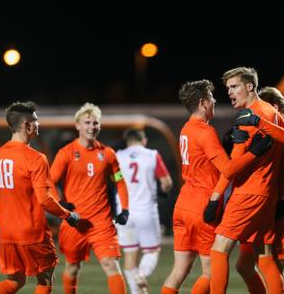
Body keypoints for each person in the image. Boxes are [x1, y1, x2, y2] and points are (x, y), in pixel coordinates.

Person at [161, 79, 272, 294]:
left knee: (179, 271)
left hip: (183, 206)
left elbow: (206, 158)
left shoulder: (186, 128)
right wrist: (255, 152)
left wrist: (226, 143)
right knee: (212, 273)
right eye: (211, 98)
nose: (214, 101)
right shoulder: (204, 131)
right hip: (203, 206)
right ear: (203, 103)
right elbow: (228, 169)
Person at [206, 67, 284, 294]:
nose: (230, 93)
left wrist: (215, 196)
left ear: (250, 86)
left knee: (218, 250)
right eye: (228, 88)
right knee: (264, 256)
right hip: (268, 195)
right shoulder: (273, 113)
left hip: (248, 193)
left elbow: (232, 167)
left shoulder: (247, 117)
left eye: (234, 87)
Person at [0, 101, 80, 294]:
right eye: (36, 121)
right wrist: (68, 215)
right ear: (27, 125)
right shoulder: (36, 158)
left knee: (15, 280)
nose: (39, 125)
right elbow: (44, 199)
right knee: (45, 278)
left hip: (8, 233)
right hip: (32, 232)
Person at [50, 102, 130, 294]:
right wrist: (60, 203)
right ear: (77, 125)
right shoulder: (66, 153)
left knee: (111, 265)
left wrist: (125, 209)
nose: (92, 127)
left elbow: (119, 181)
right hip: (74, 222)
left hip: (102, 223)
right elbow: (49, 182)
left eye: (95, 123)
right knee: (73, 267)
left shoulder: (108, 154)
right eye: (87, 122)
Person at [234, 86, 284, 294]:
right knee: (244, 266)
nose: (260, 115)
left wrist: (258, 122)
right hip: (265, 203)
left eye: (263, 110)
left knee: (274, 267)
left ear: (274, 107)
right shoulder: (268, 129)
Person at [114, 128, 173, 294]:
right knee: (152, 251)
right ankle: (142, 274)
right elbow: (167, 182)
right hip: (146, 211)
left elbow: (113, 180)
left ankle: (137, 290)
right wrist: (162, 189)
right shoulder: (152, 154)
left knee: (130, 257)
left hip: (124, 213)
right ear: (143, 140)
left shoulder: (118, 156)